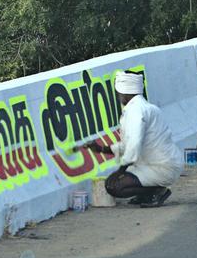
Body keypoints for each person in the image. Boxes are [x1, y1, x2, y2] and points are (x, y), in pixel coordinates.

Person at [76, 70, 183, 208]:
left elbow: (133, 146)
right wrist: (100, 148)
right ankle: (148, 193)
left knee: (113, 186)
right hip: (162, 164)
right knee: (123, 177)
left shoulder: (135, 111)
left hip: (161, 167)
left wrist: (119, 172)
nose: (118, 96)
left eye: (118, 93)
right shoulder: (144, 107)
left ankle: (156, 191)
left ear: (125, 92)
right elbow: (128, 145)